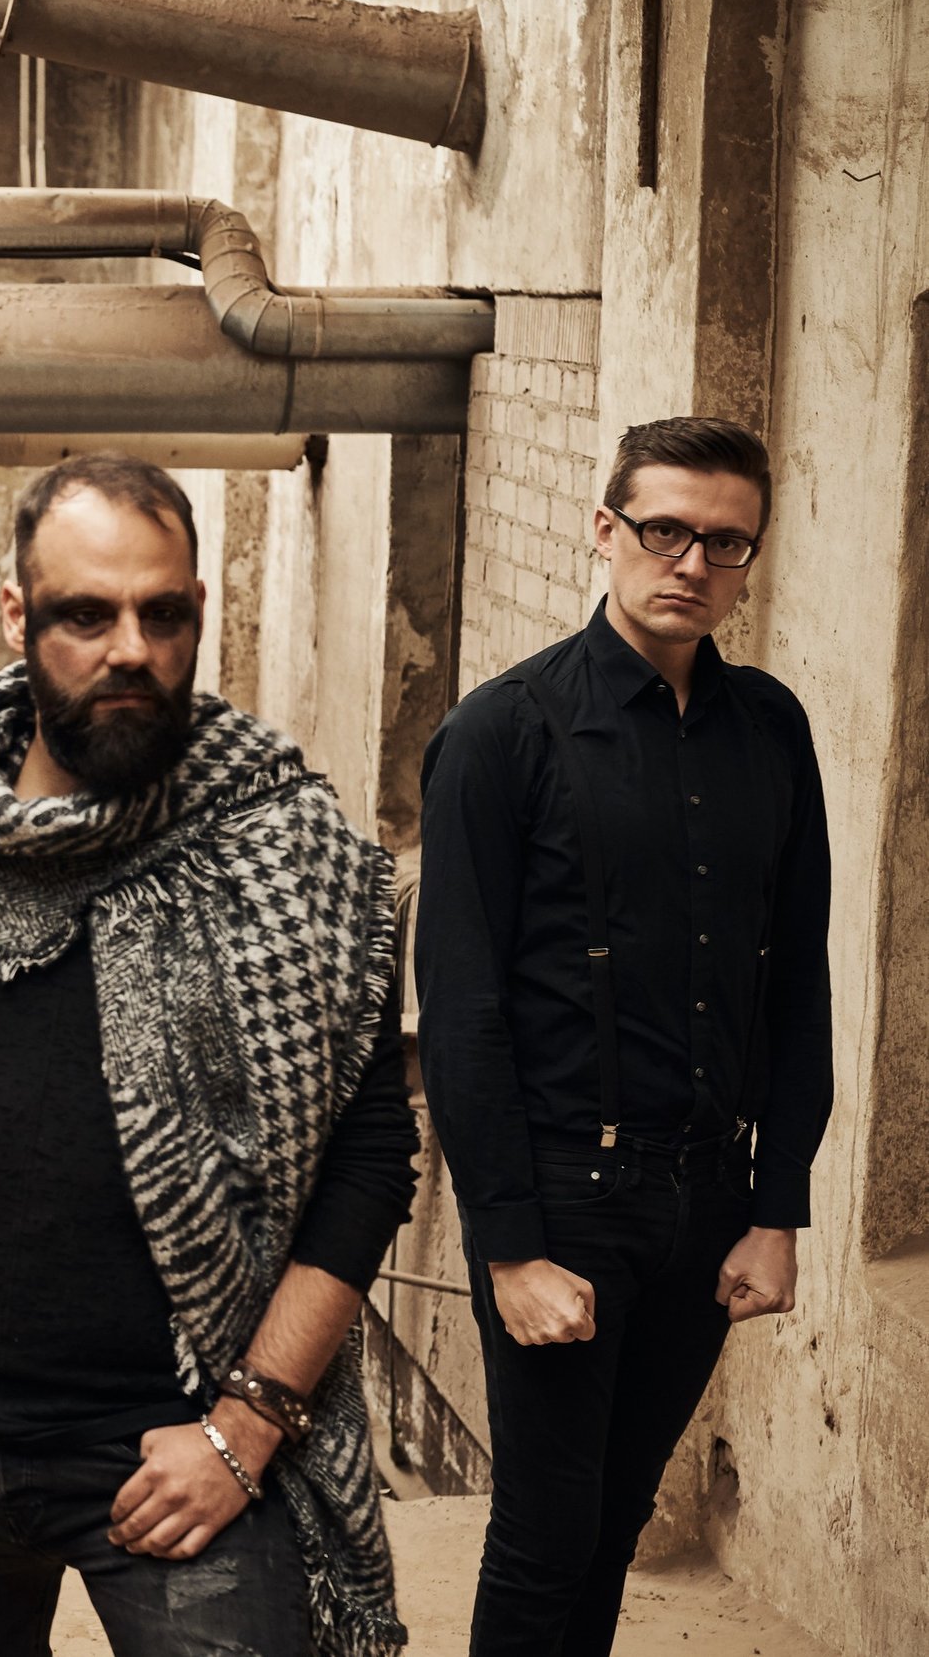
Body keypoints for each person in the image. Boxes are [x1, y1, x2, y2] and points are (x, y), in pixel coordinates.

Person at [0, 453, 420, 1657]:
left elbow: (370, 1155)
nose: (130, 648)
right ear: (15, 615)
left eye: (161, 614)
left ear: (197, 614)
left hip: (186, 1444)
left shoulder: (291, 851)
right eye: (85, 614)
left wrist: (250, 1423)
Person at [415, 416, 830, 1655]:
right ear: (605, 530)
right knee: (544, 1536)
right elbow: (463, 1009)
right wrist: (509, 1247)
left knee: (612, 1520)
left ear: (749, 558)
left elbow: (794, 979)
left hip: (706, 1200)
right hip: (562, 1197)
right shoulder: (500, 732)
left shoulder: (772, 728)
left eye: (725, 541)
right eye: (664, 530)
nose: (691, 563)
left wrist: (776, 1205)